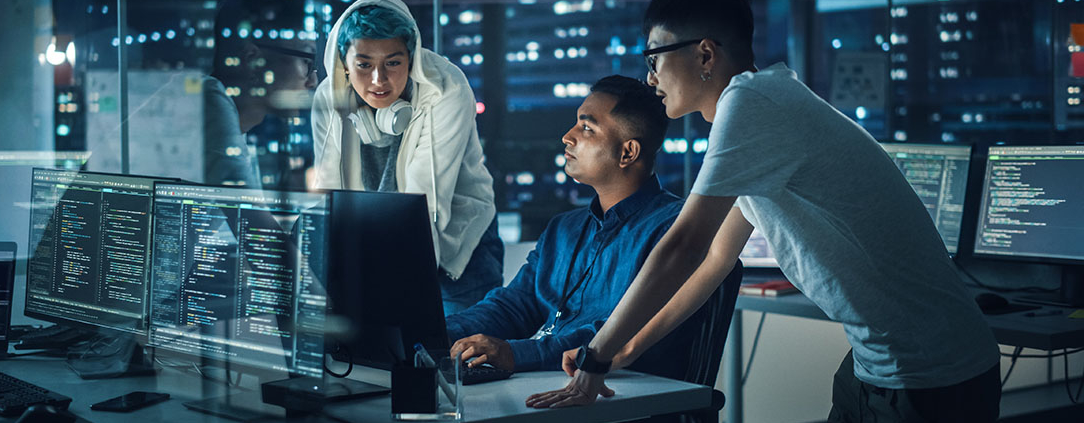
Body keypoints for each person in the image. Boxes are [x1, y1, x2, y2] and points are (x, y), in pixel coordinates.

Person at [527, 1, 1001, 421]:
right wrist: (625, 349)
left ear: (705, 55)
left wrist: (595, 356)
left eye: (655, 57)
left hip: (932, 374)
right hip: (877, 364)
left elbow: (684, 246)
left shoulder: (750, 105)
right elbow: (716, 258)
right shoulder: (765, 102)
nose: (650, 77)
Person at [447, 75, 738, 379]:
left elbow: (621, 332)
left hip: (624, 396)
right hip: (548, 382)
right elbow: (514, 306)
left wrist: (515, 353)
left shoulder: (677, 230)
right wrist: (441, 333)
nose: (567, 137)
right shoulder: (564, 229)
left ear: (628, 152)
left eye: (587, 128)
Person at [311, 0, 502, 314]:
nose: (378, 80)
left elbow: (425, 205)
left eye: (393, 63)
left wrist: (395, 290)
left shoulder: (446, 90)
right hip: (377, 244)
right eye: (363, 64)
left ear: (411, 59)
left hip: (459, 246)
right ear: (344, 64)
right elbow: (333, 196)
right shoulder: (328, 100)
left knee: (453, 356)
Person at [204, 0, 319, 189]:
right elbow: (251, 216)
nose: (312, 82)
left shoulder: (238, 127)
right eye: (306, 61)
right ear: (253, 61)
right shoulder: (213, 103)